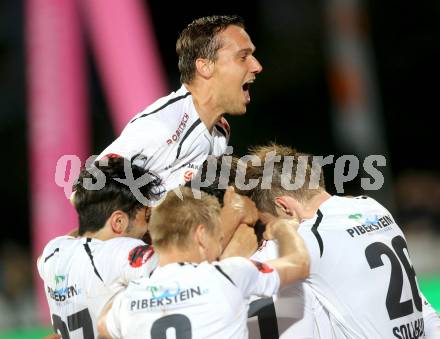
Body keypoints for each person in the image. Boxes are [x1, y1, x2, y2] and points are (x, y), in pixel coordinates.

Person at [244, 143, 440, 339]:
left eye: (268, 224)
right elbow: (421, 305)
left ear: (285, 207)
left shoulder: (308, 236)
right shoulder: (374, 207)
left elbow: (234, 280)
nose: (267, 235)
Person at [97, 187, 310, 339]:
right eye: (216, 235)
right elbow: (299, 264)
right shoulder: (230, 274)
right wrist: (283, 228)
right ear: (200, 234)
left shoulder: (129, 300)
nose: (219, 243)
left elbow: (103, 323)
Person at [98, 15, 263, 191]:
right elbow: (86, 190)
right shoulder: (165, 125)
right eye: (243, 57)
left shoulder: (220, 130)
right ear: (205, 66)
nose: (257, 66)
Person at [37, 155, 163, 339]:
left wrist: (86, 207)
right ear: (118, 221)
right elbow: (176, 262)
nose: (148, 227)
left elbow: (77, 238)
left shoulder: (53, 252)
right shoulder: (123, 251)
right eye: (147, 217)